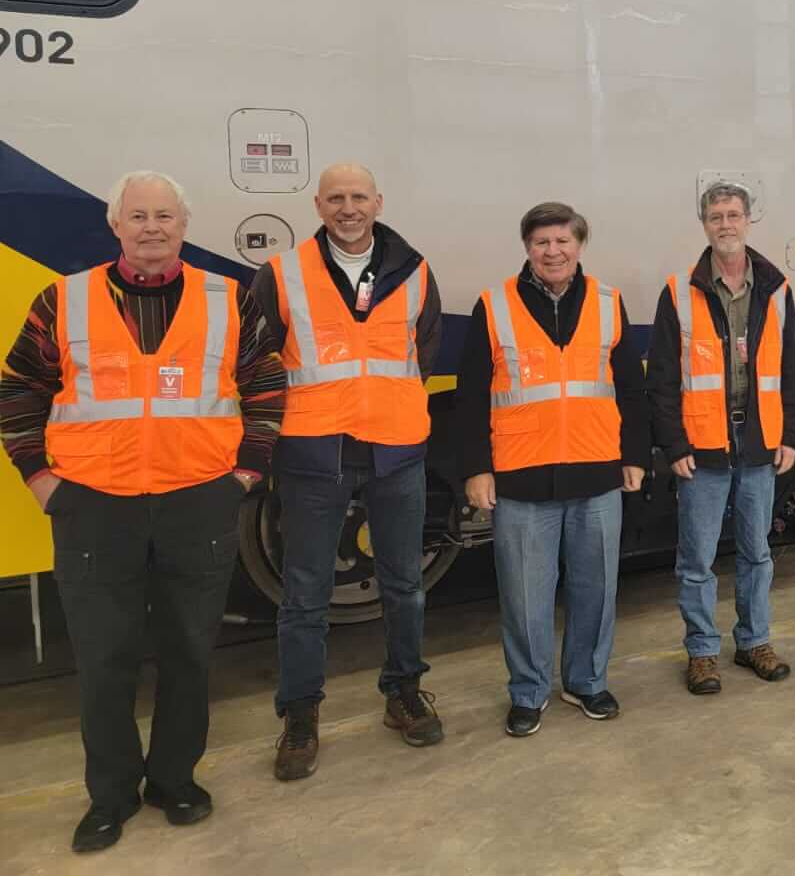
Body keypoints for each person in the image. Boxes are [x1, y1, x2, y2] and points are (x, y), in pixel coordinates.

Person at [0, 171, 284, 853]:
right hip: (94, 507)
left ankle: (174, 780)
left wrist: (241, 477)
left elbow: (268, 388)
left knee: (189, 651)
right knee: (105, 658)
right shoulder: (63, 301)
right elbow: (17, 393)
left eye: (164, 215)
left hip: (198, 503)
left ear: (183, 226)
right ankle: (111, 794)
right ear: (115, 225)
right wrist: (44, 483)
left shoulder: (228, 300)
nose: (152, 227)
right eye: (138, 216)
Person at [251, 163, 444, 780]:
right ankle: (301, 714)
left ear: (377, 201)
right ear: (318, 206)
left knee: (405, 585)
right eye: (335, 198)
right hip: (314, 455)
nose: (348, 207)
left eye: (358, 196)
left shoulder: (414, 272)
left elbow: (425, 351)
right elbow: (256, 364)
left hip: (395, 451)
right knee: (305, 594)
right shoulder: (280, 274)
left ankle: (404, 693)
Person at [455, 202, 649, 736]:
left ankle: (586, 681)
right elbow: (470, 397)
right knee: (523, 595)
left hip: (596, 473)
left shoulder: (609, 304)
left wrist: (634, 455)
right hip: (521, 477)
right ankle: (528, 690)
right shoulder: (493, 306)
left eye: (563, 240)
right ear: (527, 249)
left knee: (596, 588)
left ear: (580, 245)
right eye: (542, 242)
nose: (553, 251)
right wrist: (476, 468)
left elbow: (631, 388)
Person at [647, 182, 795, 695]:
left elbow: (793, 370)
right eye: (715, 217)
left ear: (748, 221)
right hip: (704, 446)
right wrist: (674, 445)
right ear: (705, 225)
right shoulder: (679, 292)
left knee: (757, 551)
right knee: (697, 558)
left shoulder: (777, 289)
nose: (725, 224)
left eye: (733, 215)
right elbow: (663, 380)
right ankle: (702, 652)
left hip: (759, 442)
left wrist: (791, 438)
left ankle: (754, 641)